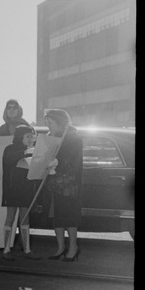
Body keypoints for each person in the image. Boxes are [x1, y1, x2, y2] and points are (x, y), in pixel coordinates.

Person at [44, 109, 83, 261]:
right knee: (57, 216)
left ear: (61, 123)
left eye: (51, 123)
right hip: (54, 183)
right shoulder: (50, 137)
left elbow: (74, 161)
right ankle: (60, 247)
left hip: (69, 184)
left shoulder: (74, 138)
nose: (48, 126)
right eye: (47, 122)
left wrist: (57, 163)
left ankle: (73, 246)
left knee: (70, 216)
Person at [0, 125, 41, 260]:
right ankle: (6, 249)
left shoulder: (34, 151)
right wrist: (26, 153)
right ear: (20, 137)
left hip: (27, 188)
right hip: (12, 189)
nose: (31, 139)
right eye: (28, 136)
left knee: (25, 218)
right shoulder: (10, 149)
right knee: (10, 218)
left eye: (32, 136)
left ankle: (27, 249)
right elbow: (9, 160)